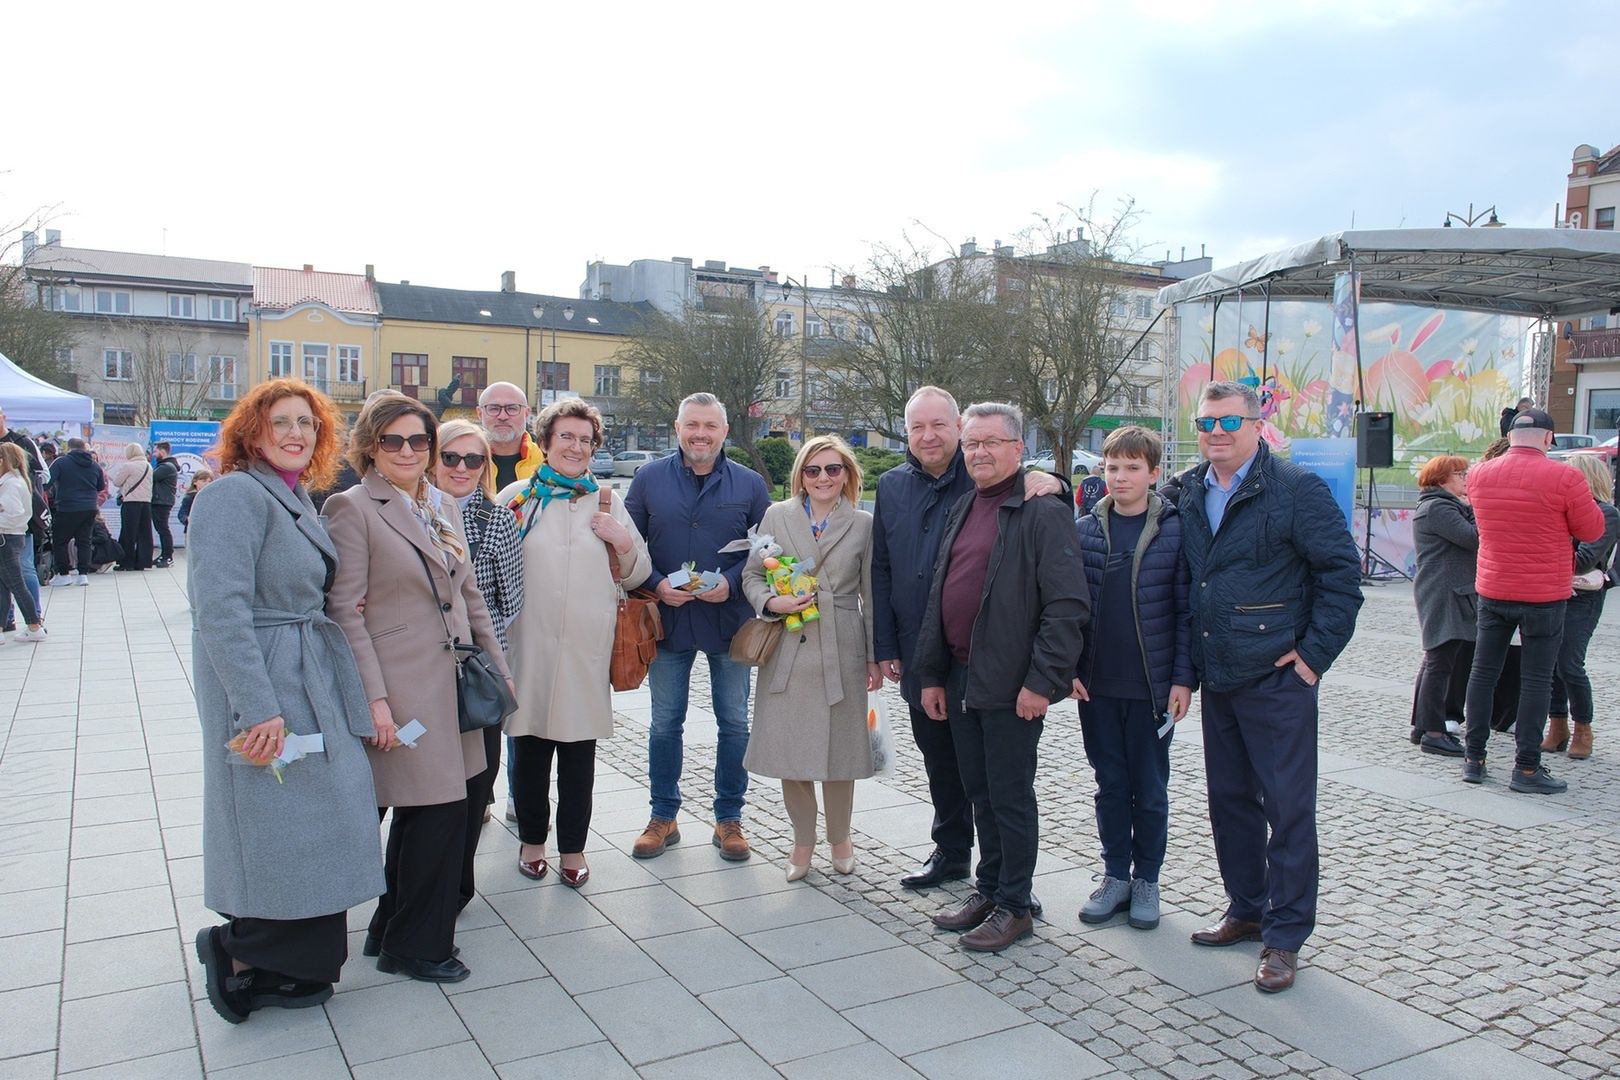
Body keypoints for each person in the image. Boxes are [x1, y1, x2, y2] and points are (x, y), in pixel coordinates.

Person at [187, 379, 384, 1024]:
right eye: (281, 422)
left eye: (307, 422)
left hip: (307, 674)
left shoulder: (291, 495)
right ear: (252, 431)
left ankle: (294, 965)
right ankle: (239, 953)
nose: (296, 433)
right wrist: (255, 706)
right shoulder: (233, 496)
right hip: (268, 683)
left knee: (316, 816)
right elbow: (220, 612)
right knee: (278, 819)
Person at [1178, 381, 1362, 994]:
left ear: (1259, 425)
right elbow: (1120, 495)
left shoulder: (1295, 491)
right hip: (1218, 675)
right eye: (1206, 424)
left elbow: (1341, 577)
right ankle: (1247, 907)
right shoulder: (1186, 489)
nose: (1217, 434)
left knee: (1288, 810)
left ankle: (1285, 936)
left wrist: (1312, 658)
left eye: (1229, 422)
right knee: (1229, 801)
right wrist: (1047, 484)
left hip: (1277, 678)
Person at [325, 394, 513, 984]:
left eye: (418, 441)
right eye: (393, 441)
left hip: (454, 679)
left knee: (440, 812)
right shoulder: (352, 506)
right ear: (370, 447)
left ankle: (392, 930)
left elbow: (468, 595)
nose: (408, 451)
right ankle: (419, 945)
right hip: (402, 683)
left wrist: (499, 665)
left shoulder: (440, 505)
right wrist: (374, 700)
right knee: (433, 814)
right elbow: (344, 612)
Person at [871, 386, 1064, 891]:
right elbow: (883, 569)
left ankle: (1007, 887)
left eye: (939, 426)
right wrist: (885, 646)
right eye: (918, 428)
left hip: (993, 659)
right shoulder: (892, 486)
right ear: (906, 432)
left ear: (957, 426)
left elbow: (1036, 503)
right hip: (925, 652)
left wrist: (1055, 480)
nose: (929, 436)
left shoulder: (982, 476)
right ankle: (952, 851)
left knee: (994, 779)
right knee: (940, 760)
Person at [914, 402, 1088, 953]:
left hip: (1013, 684)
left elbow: (1066, 605)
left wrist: (1043, 682)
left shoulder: (1042, 510)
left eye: (992, 442)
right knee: (979, 792)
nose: (980, 452)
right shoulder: (966, 504)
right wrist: (934, 674)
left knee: (1010, 795)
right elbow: (943, 592)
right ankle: (988, 889)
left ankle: (1016, 904)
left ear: (1018, 449)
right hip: (963, 676)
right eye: (972, 444)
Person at [499, 400, 650, 887]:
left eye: (585, 440)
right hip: (528, 644)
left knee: (579, 756)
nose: (576, 447)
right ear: (544, 442)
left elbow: (638, 572)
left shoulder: (607, 501)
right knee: (529, 751)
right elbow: (489, 571)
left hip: (587, 646)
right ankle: (531, 841)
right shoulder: (517, 499)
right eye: (566, 437)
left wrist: (622, 542)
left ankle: (573, 849)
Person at [625, 393, 770, 862]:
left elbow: (766, 550)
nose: (700, 434)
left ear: (724, 431)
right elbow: (628, 545)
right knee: (665, 724)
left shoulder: (749, 485)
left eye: (710, 426)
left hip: (728, 623)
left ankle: (730, 818)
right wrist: (653, 583)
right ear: (678, 427)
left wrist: (731, 584)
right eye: (692, 425)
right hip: (667, 620)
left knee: (734, 723)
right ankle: (662, 816)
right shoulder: (648, 479)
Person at [742, 436, 881, 881]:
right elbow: (750, 572)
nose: (823, 478)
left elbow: (871, 594)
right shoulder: (776, 515)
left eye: (833, 469)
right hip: (788, 645)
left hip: (841, 644)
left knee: (841, 751)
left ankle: (840, 837)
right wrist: (770, 602)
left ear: (847, 475)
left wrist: (875, 657)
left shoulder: (862, 523)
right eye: (813, 470)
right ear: (800, 474)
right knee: (791, 749)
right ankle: (802, 841)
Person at [1072, 426, 1191, 932]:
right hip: (1097, 685)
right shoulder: (1084, 530)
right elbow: (1068, 609)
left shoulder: (1176, 530)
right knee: (1110, 785)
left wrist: (1183, 679)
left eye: (1131, 468)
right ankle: (1115, 875)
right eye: (1112, 467)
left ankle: (1148, 880)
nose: (1119, 477)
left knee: (1150, 786)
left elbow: (1187, 610)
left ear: (1154, 473)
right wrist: (1069, 670)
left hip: (1151, 687)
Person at [1462, 408, 1604, 794]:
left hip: (1493, 587)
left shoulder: (1478, 473)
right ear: (1548, 439)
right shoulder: (1565, 477)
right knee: (1537, 680)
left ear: (1510, 436)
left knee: (1483, 673)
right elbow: (1592, 528)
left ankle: (1474, 759)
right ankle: (1525, 768)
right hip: (1543, 594)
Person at [432, 419, 525, 887]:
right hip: (417, 668)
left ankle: (458, 885)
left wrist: (481, 648)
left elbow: (511, 601)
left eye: (474, 459)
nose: (462, 468)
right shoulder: (413, 511)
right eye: (451, 457)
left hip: (474, 668)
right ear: (434, 458)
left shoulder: (496, 517)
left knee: (475, 784)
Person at [1544, 453, 1619, 762]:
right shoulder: (1562, 510)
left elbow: (1586, 559)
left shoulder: (1606, 513)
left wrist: (1549, 549)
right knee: (1549, 664)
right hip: (1553, 591)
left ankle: (1583, 727)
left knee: (1569, 663)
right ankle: (1557, 725)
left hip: (1583, 595)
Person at [1409, 455, 1476, 756]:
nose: (1465, 479)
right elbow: (1471, 538)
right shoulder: (1438, 507)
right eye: (1459, 474)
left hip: (1448, 590)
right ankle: (1434, 732)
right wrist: (1481, 510)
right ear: (1441, 479)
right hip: (1444, 592)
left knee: (1436, 660)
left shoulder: (1445, 506)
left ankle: (1423, 725)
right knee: (1440, 662)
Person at [0, 444, 48, 644]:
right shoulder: (17, 481)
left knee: (15, 584)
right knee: (4, 585)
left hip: (6, 537)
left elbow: (13, 512)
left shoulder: (11, 483)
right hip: (12, 536)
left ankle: (34, 625)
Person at [47, 437, 103, 587]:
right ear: (84, 448)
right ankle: (83, 575)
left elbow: (47, 481)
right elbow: (100, 485)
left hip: (67, 507)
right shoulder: (94, 464)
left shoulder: (61, 462)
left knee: (60, 541)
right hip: (90, 507)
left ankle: (64, 574)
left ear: (69, 448)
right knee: (84, 541)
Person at [478, 382, 543, 491]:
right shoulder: (463, 462)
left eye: (512, 408)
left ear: (526, 413)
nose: (502, 416)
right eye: (494, 408)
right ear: (480, 413)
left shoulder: (547, 462)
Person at [108, 443, 154, 571]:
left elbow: (117, 482)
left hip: (131, 502)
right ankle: (143, 561)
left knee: (129, 532)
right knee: (145, 532)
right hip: (146, 502)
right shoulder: (148, 466)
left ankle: (126, 562)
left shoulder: (128, 466)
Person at [150, 441, 179, 567]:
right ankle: (164, 554)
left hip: (161, 501)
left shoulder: (166, 467)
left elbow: (150, 477)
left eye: (156, 451)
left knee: (163, 529)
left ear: (162, 451)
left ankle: (168, 556)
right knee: (162, 529)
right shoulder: (166, 466)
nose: (154, 454)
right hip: (161, 500)